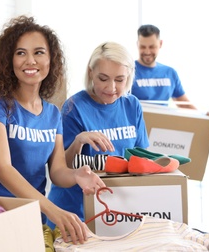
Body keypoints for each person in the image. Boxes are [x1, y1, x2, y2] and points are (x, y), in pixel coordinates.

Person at [0, 15, 105, 245]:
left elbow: (57, 171)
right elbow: (2, 169)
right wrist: (54, 210)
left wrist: (75, 175)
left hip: (33, 218)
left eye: (39, 52)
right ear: (8, 61)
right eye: (20, 53)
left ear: (51, 60)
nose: (30, 60)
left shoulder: (53, 114)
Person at [47, 41, 150, 228]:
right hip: (74, 213)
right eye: (103, 78)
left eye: (120, 80)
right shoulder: (74, 108)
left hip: (114, 211)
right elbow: (60, 169)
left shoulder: (132, 105)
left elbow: (140, 158)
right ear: (90, 73)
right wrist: (79, 141)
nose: (111, 88)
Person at [131, 24, 198, 110]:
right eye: (143, 47)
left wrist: (204, 116)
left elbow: (184, 104)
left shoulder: (170, 73)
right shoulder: (127, 71)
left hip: (163, 122)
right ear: (137, 44)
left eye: (152, 47)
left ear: (160, 44)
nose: (147, 52)